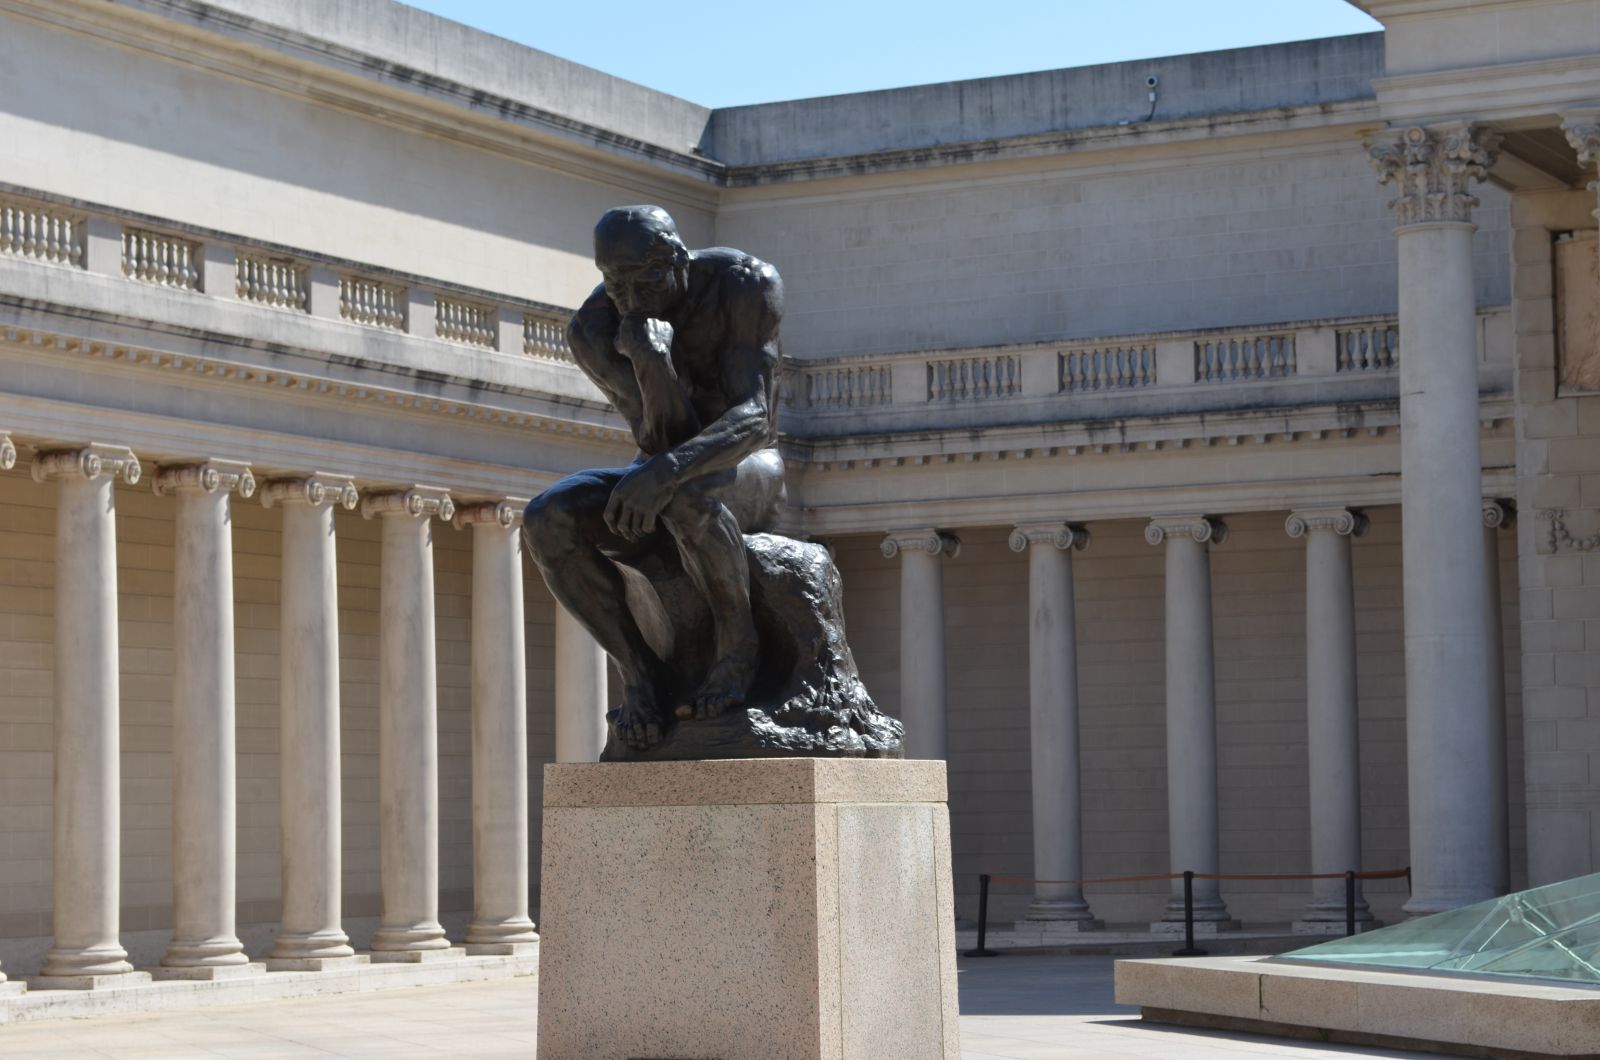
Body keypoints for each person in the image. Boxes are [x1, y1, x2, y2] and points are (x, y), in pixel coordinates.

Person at [523, 205, 786, 751]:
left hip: (746, 465)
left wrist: (664, 473)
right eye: (613, 282)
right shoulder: (594, 329)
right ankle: (640, 674)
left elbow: (758, 419)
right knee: (547, 518)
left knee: (679, 488)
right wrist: (650, 361)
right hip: (665, 467)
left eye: (642, 279)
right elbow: (659, 432)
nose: (628, 298)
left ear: (675, 258)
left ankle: (738, 648)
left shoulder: (743, 285)